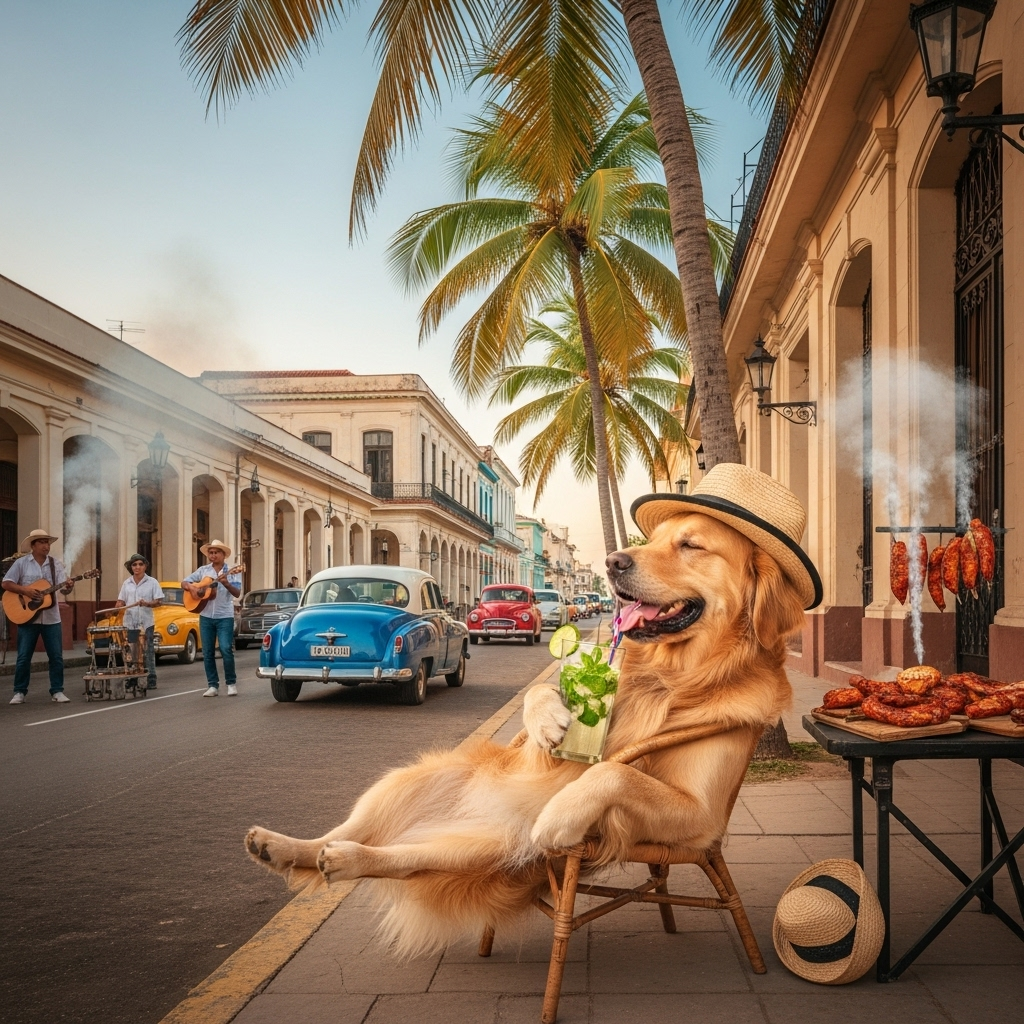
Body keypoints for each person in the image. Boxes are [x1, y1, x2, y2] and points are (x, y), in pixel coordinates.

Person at [3, 529, 75, 704]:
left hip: (51, 618)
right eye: (42, 542)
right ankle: (19, 691)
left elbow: (63, 588)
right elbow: (6, 583)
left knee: (56, 656)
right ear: (33, 545)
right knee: (23, 657)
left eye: (48, 542)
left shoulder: (55, 564)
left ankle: (57, 690)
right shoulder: (21, 563)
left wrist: (69, 586)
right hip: (27, 617)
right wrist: (25, 590)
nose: (46, 545)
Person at [183, 540, 241, 697]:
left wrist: (226, 583)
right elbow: (184, 582)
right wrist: (193, 589)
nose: (213, 555)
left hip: (224, 616)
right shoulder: (203, 570)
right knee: (207, 652)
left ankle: (231, 683)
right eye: (211, 552)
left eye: (216, 552)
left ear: (223, 555)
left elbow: (237, 593)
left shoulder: (233, 571)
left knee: (225, 649)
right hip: (206, 616)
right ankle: (212, 685)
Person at [115, 554, 163, 690]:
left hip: (146, 622)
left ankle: (151, 678)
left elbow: (159, 601)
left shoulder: (152, 582)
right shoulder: (127, 583)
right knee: (131, 651)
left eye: (140, 564)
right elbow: (121, 601)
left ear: (145, 566)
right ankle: (132, 678)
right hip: (130, 622)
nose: (137, 567)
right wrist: (118, 605)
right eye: (134, 565)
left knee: (148, 651)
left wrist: (147, 603)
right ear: (131, 567)